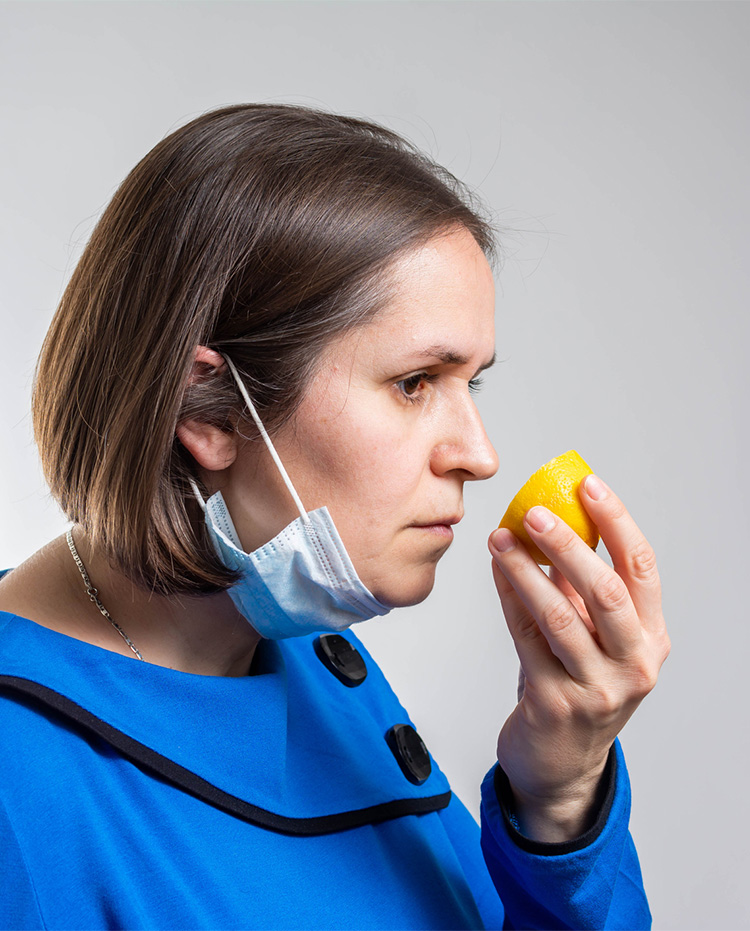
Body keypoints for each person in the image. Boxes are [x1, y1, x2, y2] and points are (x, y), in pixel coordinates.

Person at [0, 103, 669, 930]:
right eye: (415, 382)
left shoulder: (318, 665)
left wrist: (559, 793)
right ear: (209, 412)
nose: (479, 453)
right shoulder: (18, 778)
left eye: (474, 382)